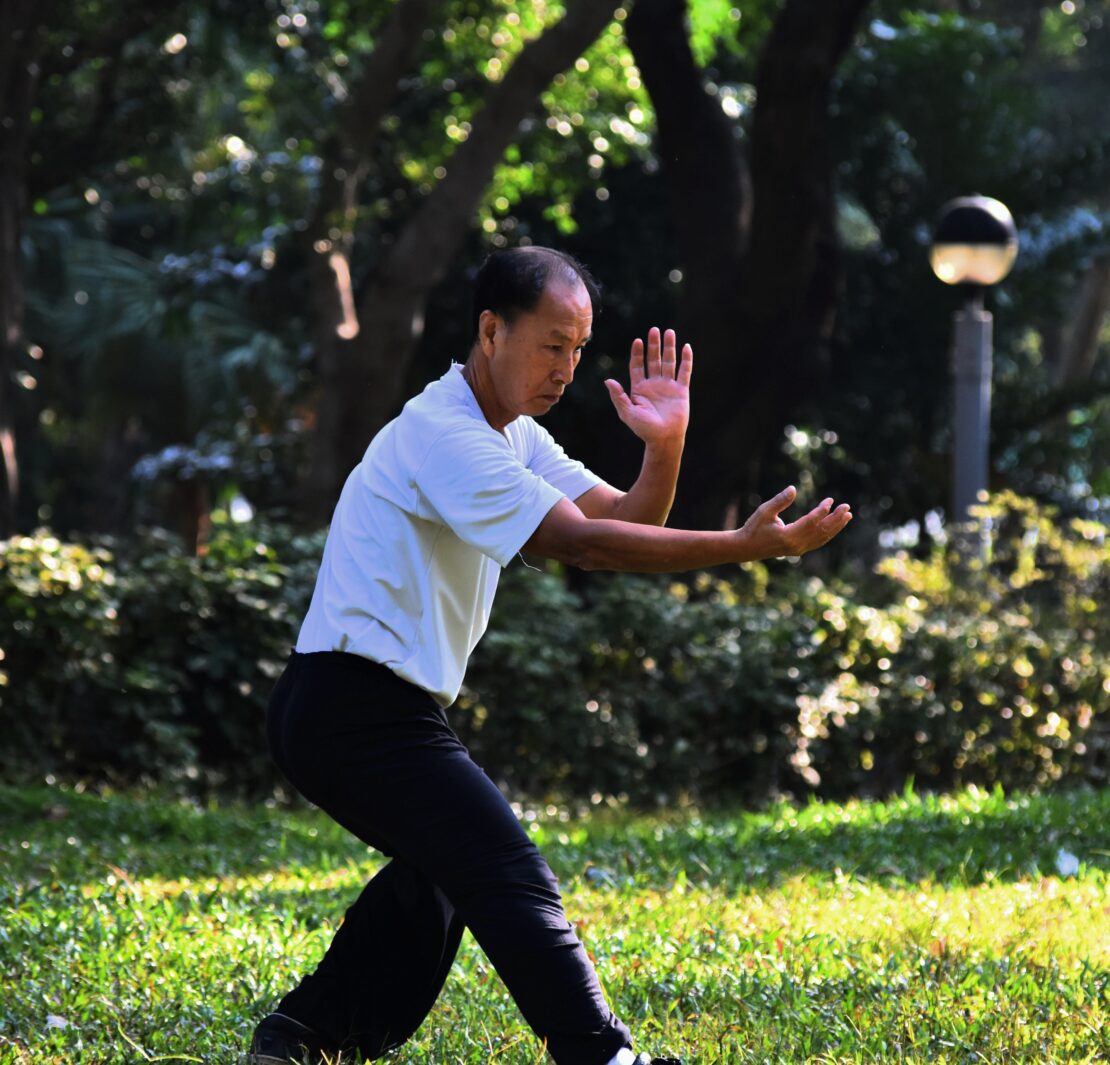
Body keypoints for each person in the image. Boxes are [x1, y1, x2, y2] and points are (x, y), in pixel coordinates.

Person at [249, 246, 852, 1065]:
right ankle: (600, 1054)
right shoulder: (446, 434)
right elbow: (586, 546)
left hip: (370, 706)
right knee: (500, 863)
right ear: (491, 331)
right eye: (551, 344)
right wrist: (742, 546)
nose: (567, 367)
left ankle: (305, 1037)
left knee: (445, 868)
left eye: (578, 348)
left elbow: (629, 515)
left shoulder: (515, 436)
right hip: (348, 704)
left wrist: (664, 445)